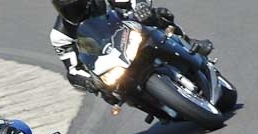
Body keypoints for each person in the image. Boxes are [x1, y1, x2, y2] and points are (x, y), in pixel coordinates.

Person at [50, 0, 214, 95]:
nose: (74, 11)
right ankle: (151, 103)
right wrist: (88, 82)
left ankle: (187, 40)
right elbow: (72, 69)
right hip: (107, 62)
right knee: (112, 94)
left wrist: (141, 6)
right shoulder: (59, 35)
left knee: (159, 15)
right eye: (67, 9)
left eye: (76, 5)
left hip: (128, 31)